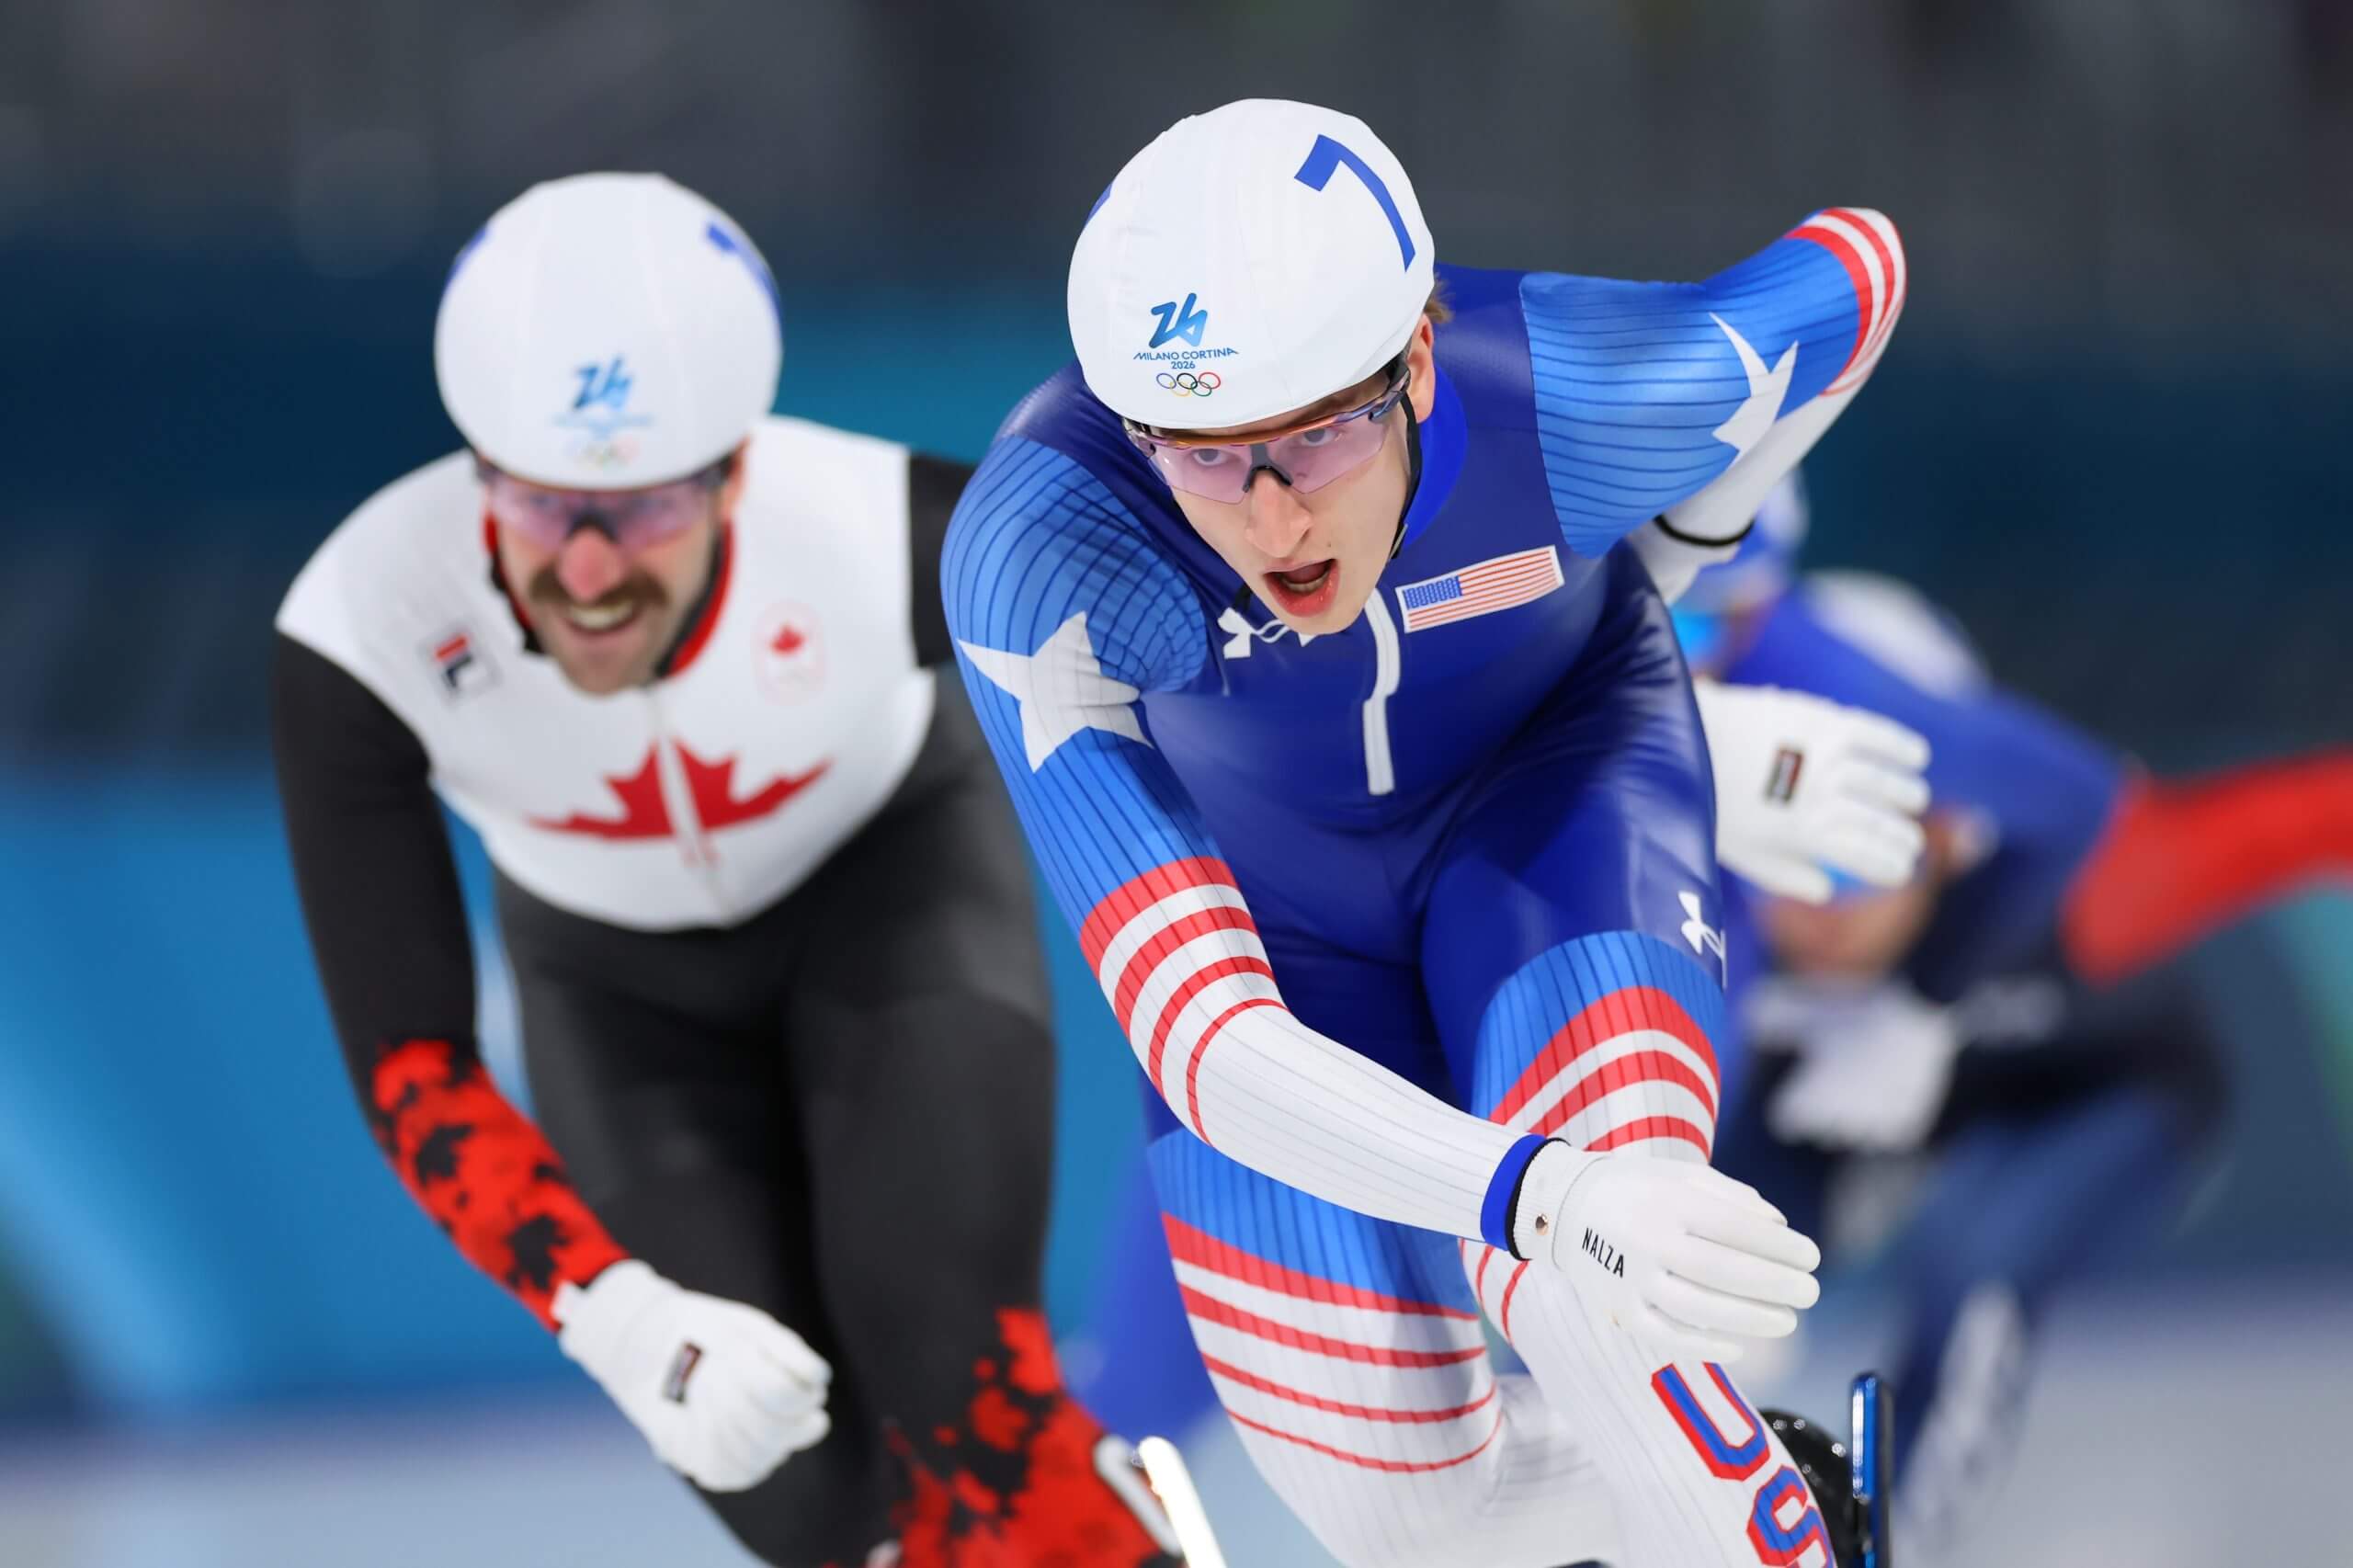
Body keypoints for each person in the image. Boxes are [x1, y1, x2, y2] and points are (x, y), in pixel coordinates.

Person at [945, 97, 1924, 1567]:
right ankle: (1759, 1475)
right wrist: (1539, 1192)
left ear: (1411, 360)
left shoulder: (1576, 391)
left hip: (1558, 809)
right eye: (1207, 455)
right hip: (1280, 930)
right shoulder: (1049, 551)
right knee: (1412, 1518)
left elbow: (1859, 273)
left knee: (1601, 1310)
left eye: (1313, 440)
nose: (1272, 519)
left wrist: (1687, 599)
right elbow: (1209, 1045)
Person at [272, 172, 1177, 1568]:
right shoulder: (365, 625)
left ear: (735, 472)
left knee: (958, 1376)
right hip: (613, 992)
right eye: (536, 503)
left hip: (892, 894)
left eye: (635, 513)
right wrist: (621, 1323)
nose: (583, 570)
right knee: (792, 1485)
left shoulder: (873, 529)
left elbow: (1219, 608)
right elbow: (411, 1068)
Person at [1680, 473, 2353, 1561]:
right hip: (1853, 1111)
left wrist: (1924, 1008)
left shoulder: (2097, 885)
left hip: (2110, 1090)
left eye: (1857, 842)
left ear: (1950, 829)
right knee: (1677, 1238)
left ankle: (1880, 1546)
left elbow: (2306, 818)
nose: (1814, 896)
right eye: (1776, 850)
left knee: (1967, 1258)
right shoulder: (1722, 919)